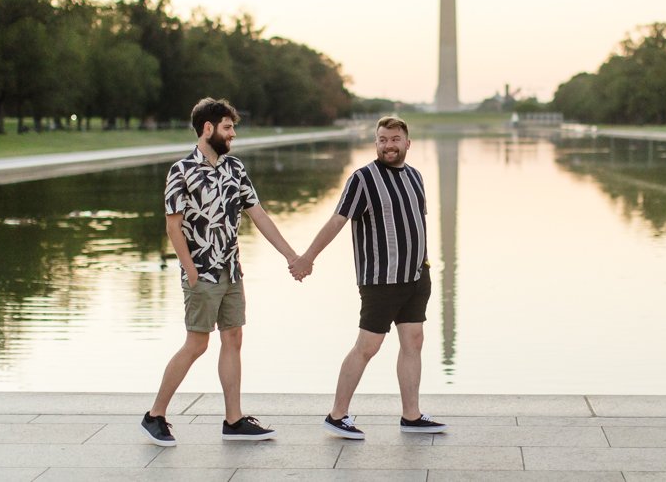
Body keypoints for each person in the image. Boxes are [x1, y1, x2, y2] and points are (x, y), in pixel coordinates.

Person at [140, 97, 297, 446]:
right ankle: (155, 415)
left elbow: (259, 215)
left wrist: (291, 255)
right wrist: (191, 272)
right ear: (208, 128)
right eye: (228, 127)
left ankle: (234, 420)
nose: (233, 134)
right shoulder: (181, 171)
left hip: (231, 271)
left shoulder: (235, 169)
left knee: (233, 338)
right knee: (196, 344)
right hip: (202, 273)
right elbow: (172, 226)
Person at [290, 115, 447, 439]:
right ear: (376, 143)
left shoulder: (415, 177)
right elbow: (337, 221)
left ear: (407, 142)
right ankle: (337, 415)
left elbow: (416, 222)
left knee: (413, 342)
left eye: (394, 139)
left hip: (417, 276)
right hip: (381, 280)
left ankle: (411, 416)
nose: (389, 145)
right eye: (382, 140)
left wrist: (425, 265)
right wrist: (307, 257)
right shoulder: (363, 179)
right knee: (368, 346)